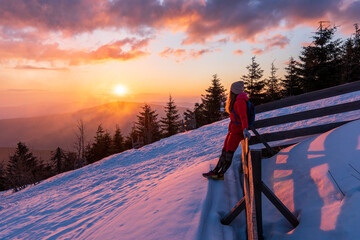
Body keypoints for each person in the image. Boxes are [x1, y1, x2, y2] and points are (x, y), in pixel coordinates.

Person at [203, 81, 251, 180]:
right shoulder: (237, 101)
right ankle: (216, 171)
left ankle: (220, 174)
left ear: (234, 91)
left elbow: (244, 117)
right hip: (232, 130)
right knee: (225, 150)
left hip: (237, 132)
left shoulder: (240, 102)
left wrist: (245, 129)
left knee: (229, 153)